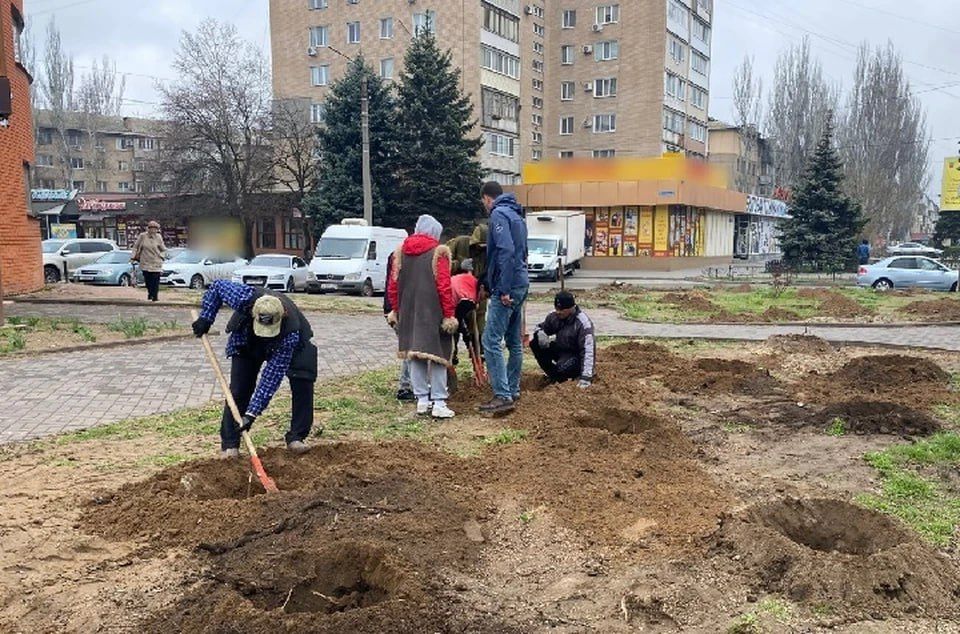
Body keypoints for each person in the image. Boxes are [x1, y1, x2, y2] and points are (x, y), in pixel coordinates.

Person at [191, 280, 318, 458]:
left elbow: (270, 379)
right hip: (246, 340)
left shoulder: (290, 335)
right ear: (253, 312)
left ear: (283, 316)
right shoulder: (243, 297)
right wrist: (206, 317)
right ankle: (230, 445)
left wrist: (251, 414)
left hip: (290, 344)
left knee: (303, 379)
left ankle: (297, 437)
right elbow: (217, 286)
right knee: (239, 389)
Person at [386, 214, 459, 419]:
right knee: (437, 354)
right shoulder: (439, 253)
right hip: (432, 310)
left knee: (415, 354)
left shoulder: (400, 252)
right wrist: (449, 315)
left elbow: (393, 284)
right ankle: (438, 402)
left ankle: (422, 400)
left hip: (408, 309)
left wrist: (396, 310)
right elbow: (444, 286)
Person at [479, 181, 529, 414]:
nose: (485, 206)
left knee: (490, 340)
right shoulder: (517, 215)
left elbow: (506, 251)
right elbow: (522, 251)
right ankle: (513, 388)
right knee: (513, 340)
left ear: (488, 199)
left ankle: (502, 395)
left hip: (507, 287)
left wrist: (504, 288)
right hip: (521, 282)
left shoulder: (498, 214)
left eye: (483, 202)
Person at [530, 291, 596, 388]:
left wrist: (586, 377)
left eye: (562, 310)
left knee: (562, 368)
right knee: (535, 343)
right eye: (556, 308)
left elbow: (588, 352)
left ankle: (562, 377)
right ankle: (553, 376)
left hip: (575, 356)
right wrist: (540, 332)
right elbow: (540, 327)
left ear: (571, 308)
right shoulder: (554, 316)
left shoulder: (583, 324)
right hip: (561, 349)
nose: (558, 312)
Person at [384, 250, 414, 401]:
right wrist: (395, 309)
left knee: (409, 347)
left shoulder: (396, 254)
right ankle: (406, 386)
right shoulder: (402, 256)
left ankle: (408, 384)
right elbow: (394, 285)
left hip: (393, 308)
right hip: (398, 310)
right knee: (410, 347)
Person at [130, 220, 167, 301]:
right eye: (151, 228)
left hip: (156, 262)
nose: (153, 230)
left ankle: (155, 297)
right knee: (148, 279)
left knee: (155, 279)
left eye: (155, 229)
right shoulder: (142, 236)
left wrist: (161, 256)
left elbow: (163, 249)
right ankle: (150, 293)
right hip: (145, 262)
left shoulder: (158, 237)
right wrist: (133, 257)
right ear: (148, 229)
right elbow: (135, 247)